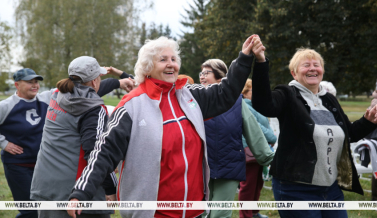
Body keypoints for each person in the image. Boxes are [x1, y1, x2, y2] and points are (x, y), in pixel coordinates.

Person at [67, 35, 262, 218]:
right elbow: (104, 152)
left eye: (174, 59)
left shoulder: (189, 95)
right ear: (147, 67)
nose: (171, 64)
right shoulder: (131, 106)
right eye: (163, 60)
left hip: (193, 212)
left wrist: (244, 58)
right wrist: (81, 192)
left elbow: (225, 94)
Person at [251, 44, 377, 218]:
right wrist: (261, 61)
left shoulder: (329, 100)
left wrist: (368, 122)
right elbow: (263, 104)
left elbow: (349, 133)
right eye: (306, 65)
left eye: (316, 65)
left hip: (331, 189)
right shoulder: (287, 94)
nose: (312, 68)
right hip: (295, 188)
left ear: (322, 71)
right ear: (294, 73)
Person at [0, 66, 133, 218]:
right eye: (30, 82)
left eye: (36, 81)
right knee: (30, 210)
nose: (35, 85)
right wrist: (4, 143)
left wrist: (118, 82)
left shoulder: (49, 97)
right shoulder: (6, 106)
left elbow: (84, 89)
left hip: (42, 163)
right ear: (17, 84)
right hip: (19, 165)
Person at [198, 59, 274, 218]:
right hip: (200, 167)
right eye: (201, 73)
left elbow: (253, 130)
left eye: (206, 73)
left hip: (229, 165)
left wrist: (268, 158)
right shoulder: (193, 100)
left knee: (220, 214)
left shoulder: (237, 102)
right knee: (202, 213)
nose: (202, 76)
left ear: (220, 77)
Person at [239, 79, 276, 218]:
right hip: (250, 149)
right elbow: (257, 127)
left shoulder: (255, 106)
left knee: (257, 184)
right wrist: (272, 138)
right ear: (245, 92)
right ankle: (245, 215)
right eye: (253, 91)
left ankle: (254, 212)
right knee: (248, 186)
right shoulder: (245, 106)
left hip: (258, 149)